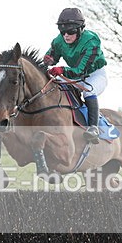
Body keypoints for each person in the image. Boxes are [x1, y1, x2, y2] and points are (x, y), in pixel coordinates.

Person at [43, 8, 108, 143]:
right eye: (62, 31)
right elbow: (51, 58)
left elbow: (79, 70)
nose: (66, 35)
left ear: (80, 30)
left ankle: (93, 128)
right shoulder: (59, 40)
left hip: (94, 75)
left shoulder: (91, 41)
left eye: (70, 31)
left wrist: (61, 70)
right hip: (74, 74)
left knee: (89, 92)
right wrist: (47, 61)